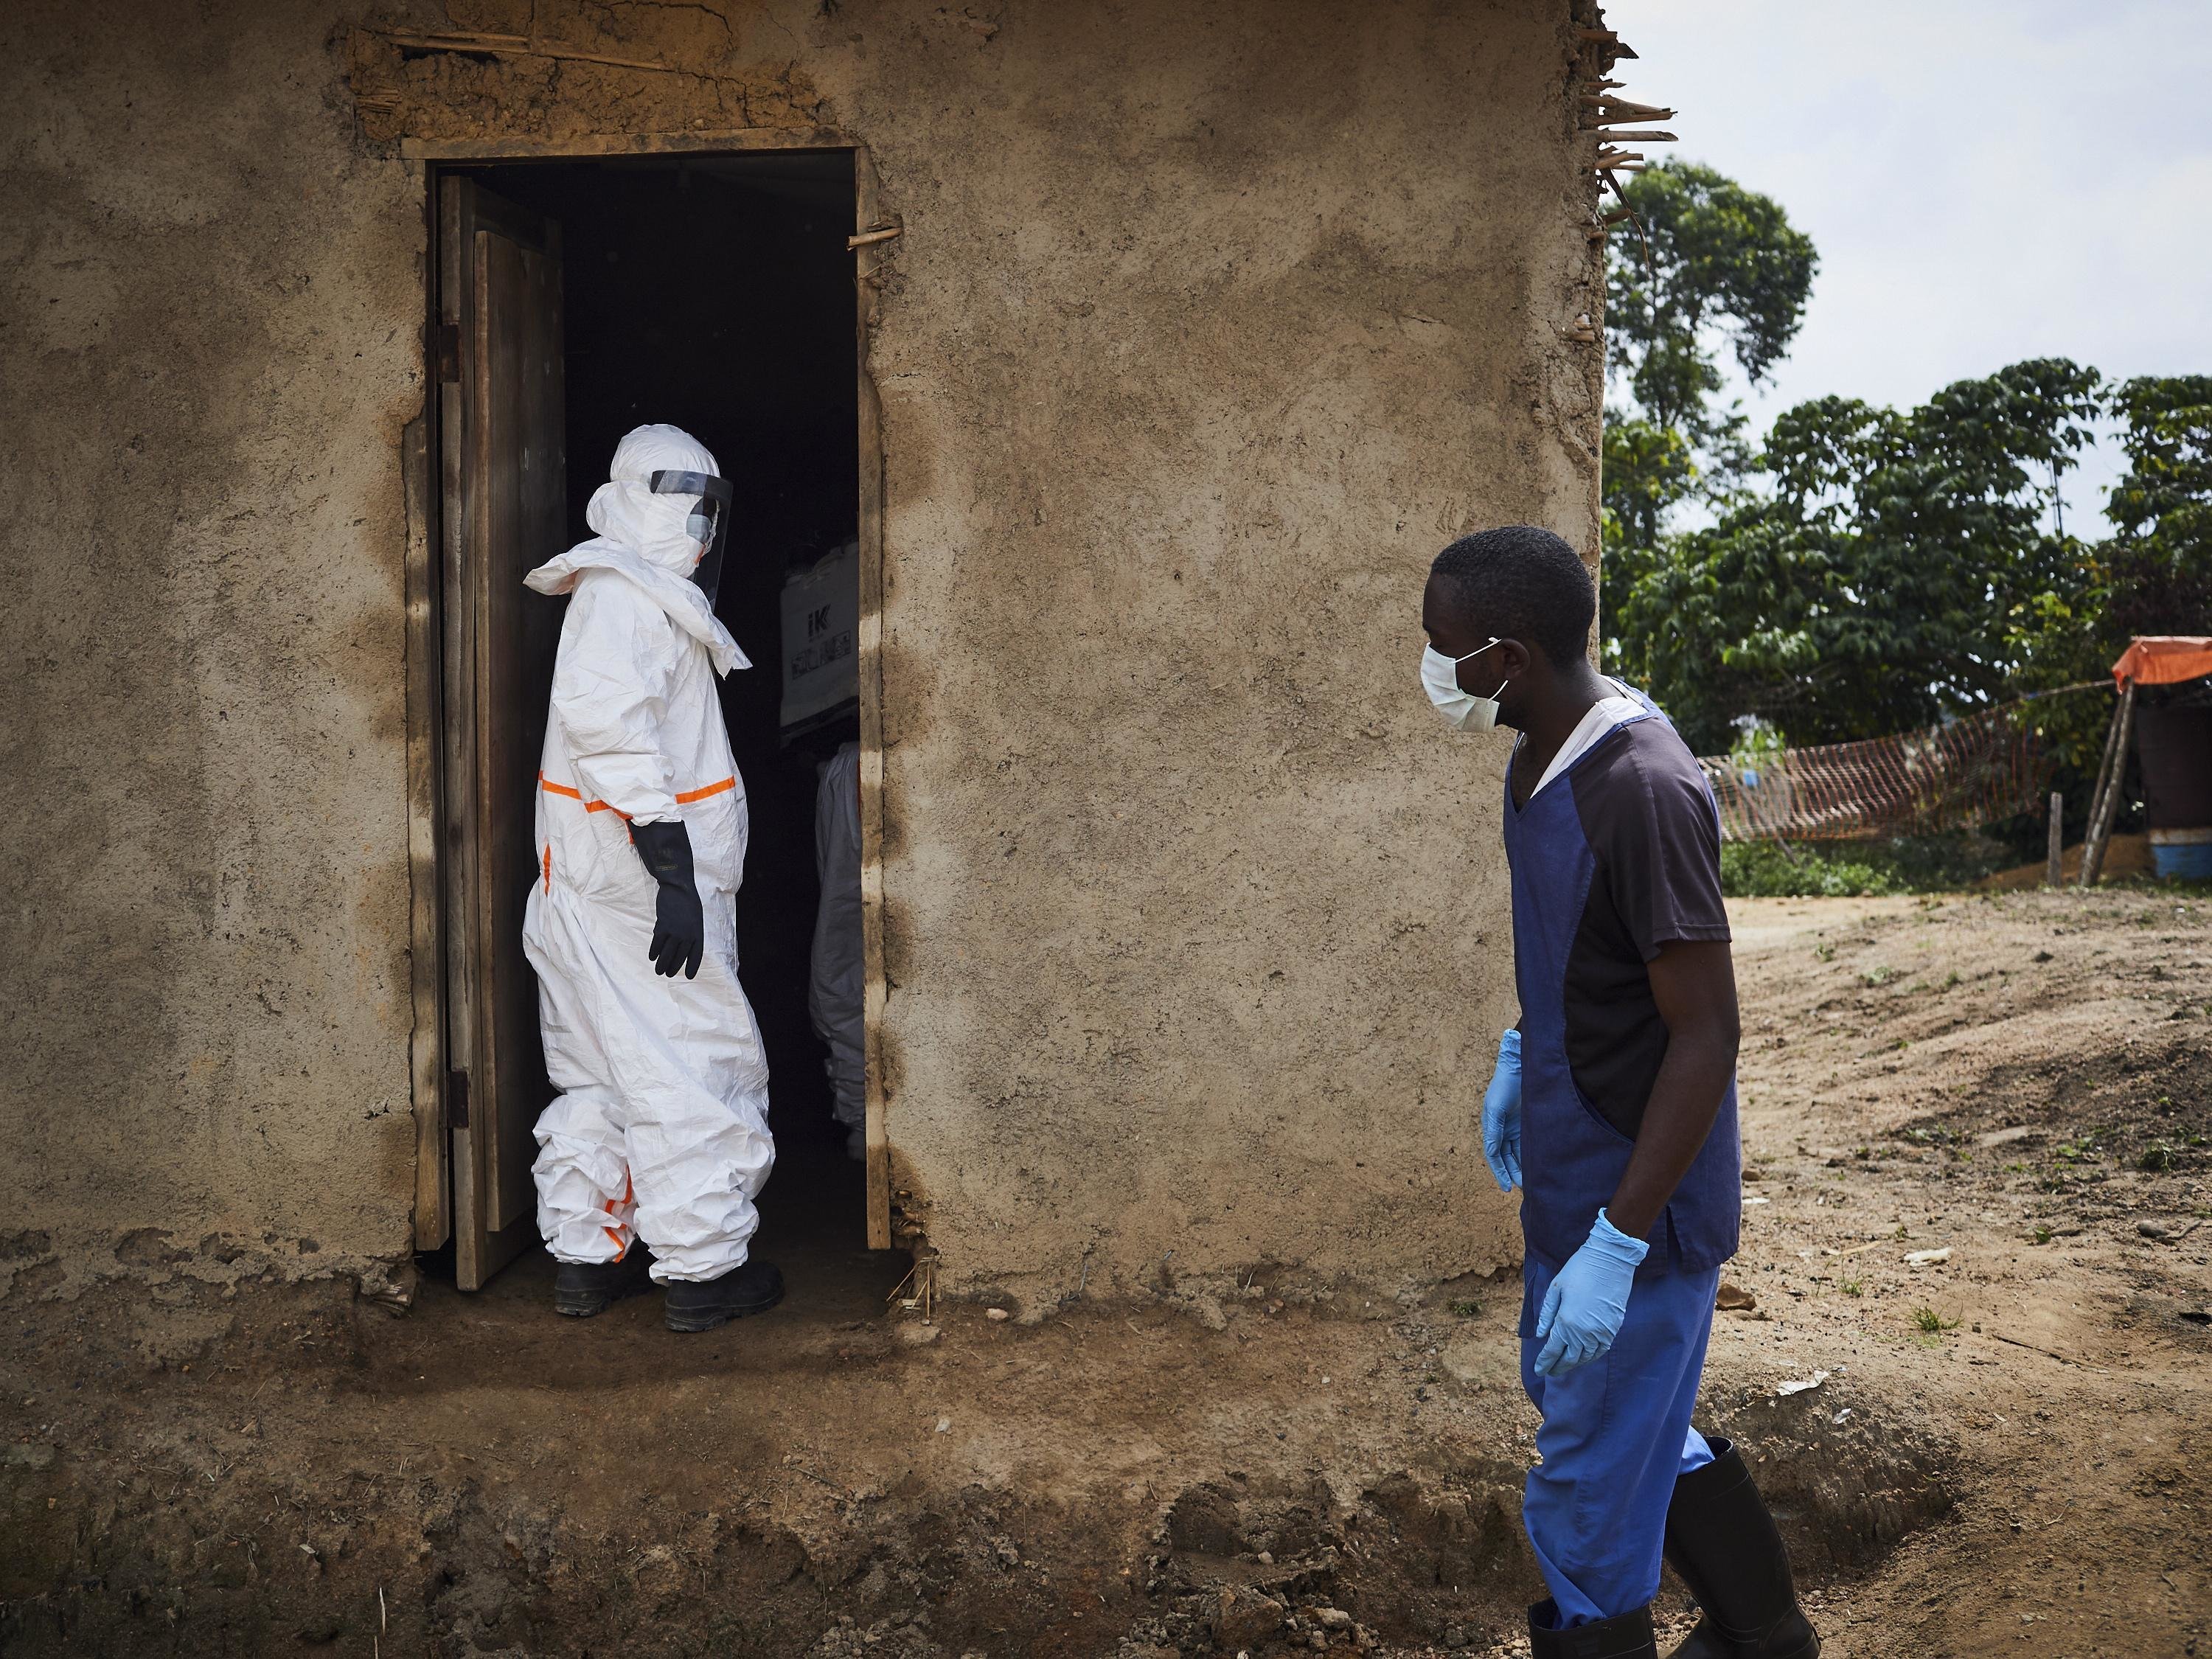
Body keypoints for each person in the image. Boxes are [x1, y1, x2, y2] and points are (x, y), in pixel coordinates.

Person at [1419, 526, 1818, 1659]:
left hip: (1636, 1203)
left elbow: (1707, 1030)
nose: (1431, 667)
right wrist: (1521, 1044)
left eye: (1444, 647)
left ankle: (1755, 1633)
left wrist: (1619, 1243)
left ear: (1511, 654)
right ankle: (1764, 1636)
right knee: (1623, 1425)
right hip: (1574, 1161)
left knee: (1584, 1495)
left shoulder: (1642, 788)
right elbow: (1594, 951)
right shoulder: (1539, 750)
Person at [521, 423, 784, 1334]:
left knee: (597, 1070)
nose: (700, 529)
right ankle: (705, 1273)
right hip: (636, 885)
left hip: (591, 882)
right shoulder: (624, 598)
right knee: (692, 1065)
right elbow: (609, 733)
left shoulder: (624, 594)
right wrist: (672, 873)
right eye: (687, 506)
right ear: (639, 499)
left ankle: (588, 1263)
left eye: (710, 509)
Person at [809, 740, 867, 1161]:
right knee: (844, 948)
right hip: (849, 771)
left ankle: (863, 1123)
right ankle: (863, 1123)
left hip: (853, 770)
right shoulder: (845, 771)